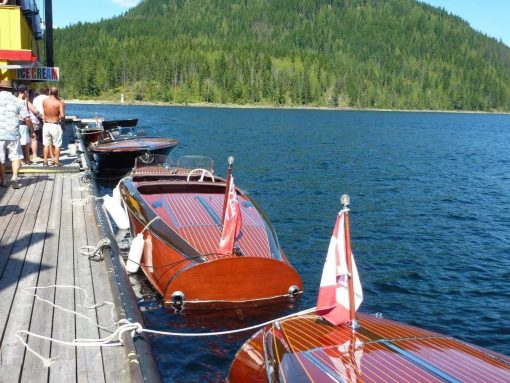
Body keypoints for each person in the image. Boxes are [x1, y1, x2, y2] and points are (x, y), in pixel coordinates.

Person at [0, 80, 35, 189]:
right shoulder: (17, 101)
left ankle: (3, 180)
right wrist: (32, 131)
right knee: (15, 156)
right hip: (13, 133)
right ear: (11, 90)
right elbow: (27, 118)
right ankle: (14, 177)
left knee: (0, 158)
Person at [16, 84, 40, 164]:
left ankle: (22, 159)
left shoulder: (14, 100)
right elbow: (32, 113)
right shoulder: (25, 102)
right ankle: (25, 158)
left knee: (19, 142)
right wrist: (32, 130)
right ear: (25, 91)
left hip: (15, 124)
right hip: (23, 123)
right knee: (25, 142)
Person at [42, 86, 65, 167]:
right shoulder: (59, 103)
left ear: (49, 92)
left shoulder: (44, 101)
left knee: (46, 144)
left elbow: (44, 112)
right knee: (57, 144)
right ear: (57, 93)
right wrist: (58, 117)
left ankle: (45, 162)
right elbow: (62, 115)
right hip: (55, 125)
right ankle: (56, 161)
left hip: (46, 124)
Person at [33, 86, 54, 163]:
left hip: (36, 119)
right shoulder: (48, 98)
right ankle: (48, 154)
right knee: (47, 137)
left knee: (36, 137)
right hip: (46, 118)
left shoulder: (35, 99)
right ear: (48, 92)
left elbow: (34, 108)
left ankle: (35, 155)